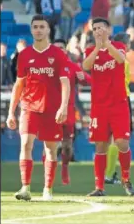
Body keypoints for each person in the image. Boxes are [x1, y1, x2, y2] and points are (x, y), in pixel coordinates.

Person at [6, 15, 70, 201]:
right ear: (31, 30)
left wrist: (63, 107)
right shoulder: (24, 55)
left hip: (52, 109)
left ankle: (47, 189)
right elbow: (19, 85)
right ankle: (25, 187)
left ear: (48, 30)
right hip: (29, 107)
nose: (39, 30)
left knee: (50, 149)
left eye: (42, 26)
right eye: (35, 27)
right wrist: (11, 111)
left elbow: (65, 83)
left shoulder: (58, 54)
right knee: (26, 144)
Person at [82, 18, 134, 197]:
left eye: (101, 28)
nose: (97, 31)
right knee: (100, 146)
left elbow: (120, 59)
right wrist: (98, 47)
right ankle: (99, 187)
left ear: (109, 29)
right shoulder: (90, 50)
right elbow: (85, 66)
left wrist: (106, 43)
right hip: (99, 105)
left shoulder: (119, 45)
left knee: (122, 142)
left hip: (119, 103)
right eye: (95, 28)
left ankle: (126, 179)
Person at [53, 39, 91, 186]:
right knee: (49, 145)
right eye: (56, 48)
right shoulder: (45, 67)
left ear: (65, 50)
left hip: (68, 112)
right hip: (49, 111)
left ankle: (64, 169)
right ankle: (47, 177)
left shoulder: (72, 67)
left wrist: (85, 79)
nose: (59, 50)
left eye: (61, 48)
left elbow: (88, 81)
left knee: (67, 145)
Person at [104, 33, 134, 185]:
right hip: (122, 99)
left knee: (110, 139)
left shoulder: (107, 59)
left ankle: (109, 174)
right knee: (120, 140)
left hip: (107, 100)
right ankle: (112, 174)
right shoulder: (124, 61)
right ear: (125, 44)